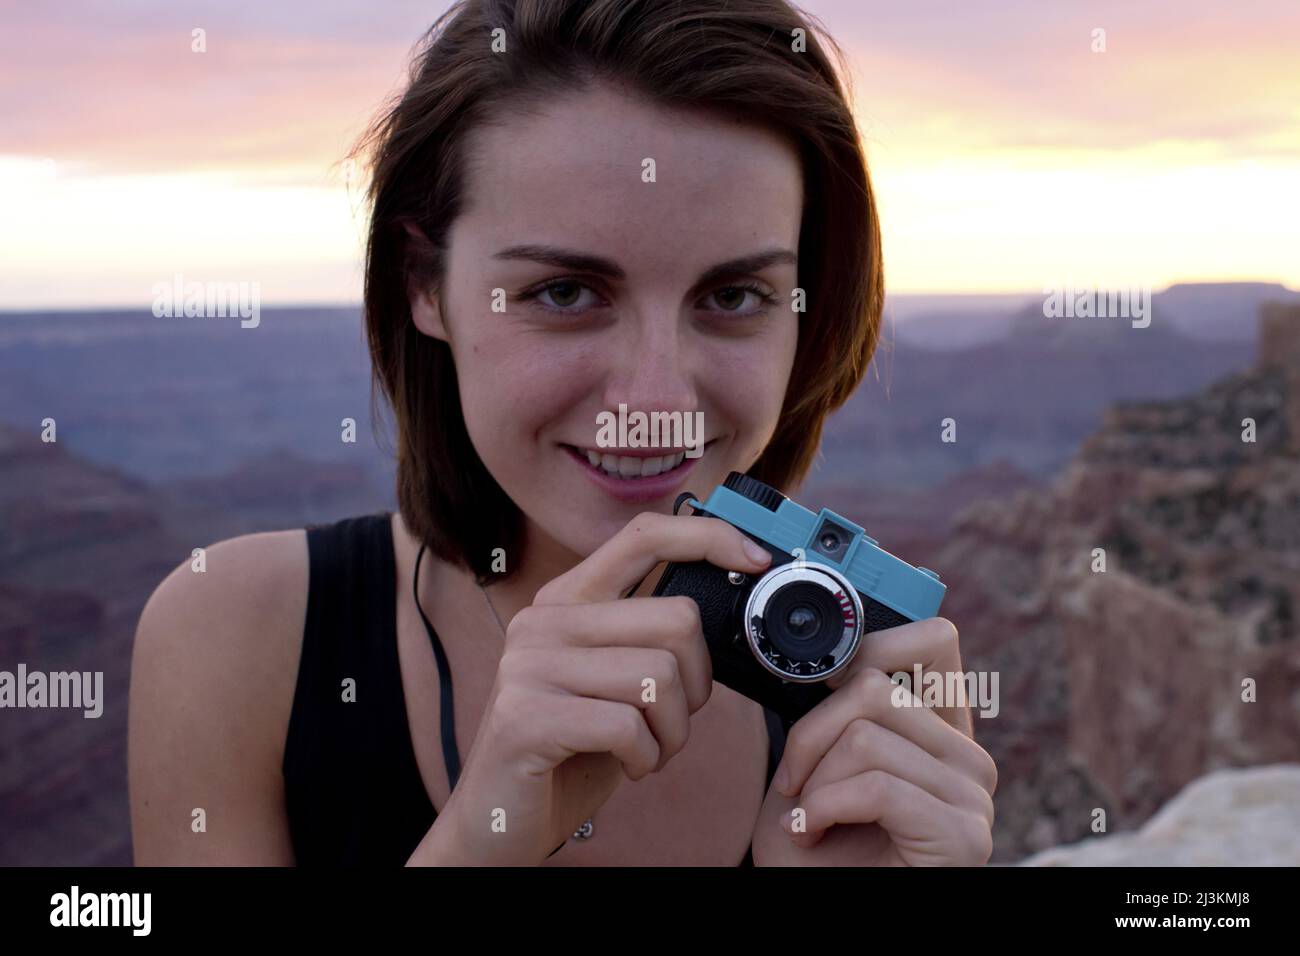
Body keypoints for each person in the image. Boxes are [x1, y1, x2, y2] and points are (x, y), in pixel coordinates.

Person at [129, 0, 996, 866]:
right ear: (424, 286)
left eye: (733, 297)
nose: (654, 396)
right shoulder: (240, 639)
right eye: (566, 293)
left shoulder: (862, 699)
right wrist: (481, 840)